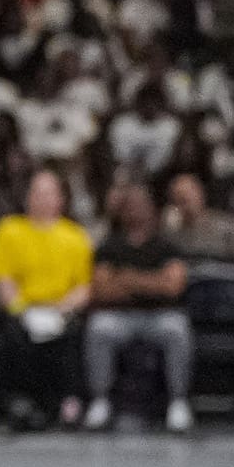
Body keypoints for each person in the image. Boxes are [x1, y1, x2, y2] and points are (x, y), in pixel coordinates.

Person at [0, 169, 92, 427]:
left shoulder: (76, 236)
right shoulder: (8, 230)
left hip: (62, 312)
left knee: (72, 337)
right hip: (23, 310)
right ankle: (18, 402)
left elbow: (83, 288)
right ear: (27, 196)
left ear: (61, 198)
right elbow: (2, 280)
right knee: (12, 335)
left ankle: (67, 402)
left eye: (49, 193)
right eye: (37, 192)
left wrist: (61, 310)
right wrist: (23, 310)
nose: (42, 199)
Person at [82, 184, 193, 433]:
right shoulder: (110, 246)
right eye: (130, 206)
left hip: (160, 316)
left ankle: (178, 402)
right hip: (119, 316)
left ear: (153, 210)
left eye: (141, 205)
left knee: (177, 330)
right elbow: (101, 289)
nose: (136, 211)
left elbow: (173, 286)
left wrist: (127, 278)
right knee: (99, 329)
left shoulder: (166, 246)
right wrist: (152, 282)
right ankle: (100, 401)